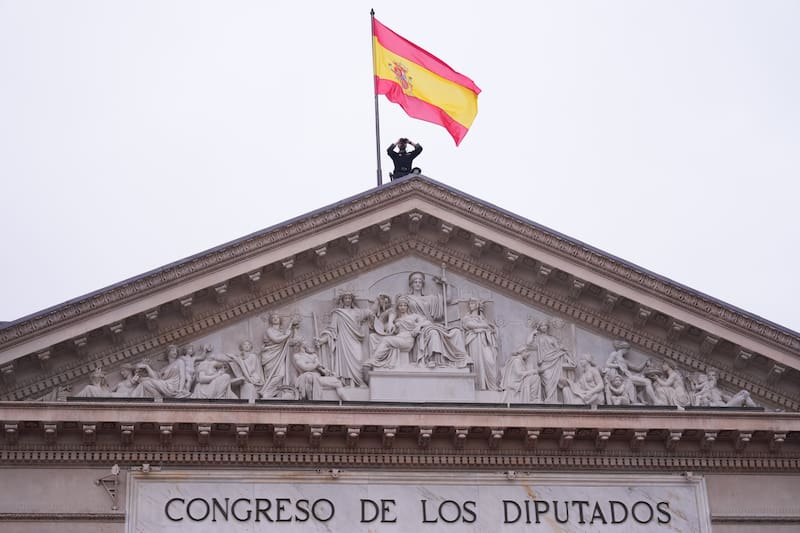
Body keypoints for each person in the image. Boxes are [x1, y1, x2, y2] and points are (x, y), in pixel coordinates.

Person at [404, 272, 468, 368]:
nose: (417, 284)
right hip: (416, 327)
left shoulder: (430, 298)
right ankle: (434, 360)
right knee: (433, 333)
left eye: (420, 282)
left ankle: (461, 359)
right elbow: (398, 312)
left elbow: (448, 299)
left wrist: (446, 284)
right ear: (411, 284)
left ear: (422, 285)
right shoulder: (407, 298)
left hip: (430, 325)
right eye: (415, 282)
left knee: (456, 331)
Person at [315, 292, 375, 387]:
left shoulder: (358, 312)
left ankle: (359, 381)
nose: (347, 300)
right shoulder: (338, 313)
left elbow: (370, 312)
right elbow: (332, 330)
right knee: (344, 363)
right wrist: (322, 340)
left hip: (355, 340)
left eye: (349, 298)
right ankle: (347, 383)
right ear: (342, 300)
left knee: (358, 360)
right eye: (345, 298)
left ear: (352, 300)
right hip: (343, 341)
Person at [526, 321, 575, 403]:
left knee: (554, 381)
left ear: (547, 327)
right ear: (540, 328)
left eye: (545, 326)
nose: (544, 327)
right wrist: (533, 332)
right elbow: (528, 343)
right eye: (542, 326)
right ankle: (549, 399)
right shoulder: (538, 338)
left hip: (554, 361)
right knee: (547, 380)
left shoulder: (552, 338)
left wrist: (566, 355)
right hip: (545, 362)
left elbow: (559, 349)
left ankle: (552, 400)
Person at [461, 298, 500, 391]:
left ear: (477, 305)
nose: (471, 305)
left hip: (485, 342)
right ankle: (479, 385)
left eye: (473, 303)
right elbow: (469, 325)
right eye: (470, 303)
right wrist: (482, 327)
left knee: (490, 361)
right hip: (474, 341)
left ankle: (492, 385)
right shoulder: (467, 317)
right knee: (477, 361)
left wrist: (483, 327)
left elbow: (491, 328)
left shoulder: (483, 318)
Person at [261, 313, 302, 398]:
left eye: (277, 317)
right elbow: (276, 339)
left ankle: (272, 392)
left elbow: (290, 342)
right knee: (272, 375)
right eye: (273, 318)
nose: (275, 319)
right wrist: (287, 333)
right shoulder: (269, 330)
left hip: (280, 356)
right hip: (270, 356)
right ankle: (266, 392)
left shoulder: (281, 332)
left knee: (281, 374)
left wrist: (294, 329)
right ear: (271, 321)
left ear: (280, 320)